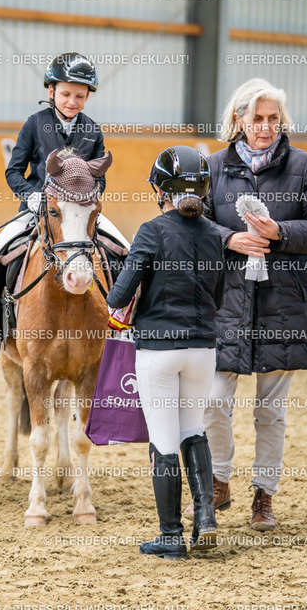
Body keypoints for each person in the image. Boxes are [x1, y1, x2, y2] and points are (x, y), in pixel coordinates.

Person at [183, 78, 307, 530]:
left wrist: (281, 233)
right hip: (226, 302)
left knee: (271, 411)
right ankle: (219, 481)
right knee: (214, 401)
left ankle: (264, 496)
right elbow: (195, 226)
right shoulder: (214, 167)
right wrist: (229, 238)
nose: (266, 126)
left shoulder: (303, 165)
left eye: (274, 118)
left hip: (283, 302)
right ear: (239, 119)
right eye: (257, 118)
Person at [0, 52, 128, 356]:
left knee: (125, 250)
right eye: (66, 94)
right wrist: (30, 195)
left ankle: (126, 323)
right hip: (39, 209)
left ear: (87, 97)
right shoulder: (34, 124)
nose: (72, 101)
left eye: (80, 96)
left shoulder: (92, 131)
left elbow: (100, 178)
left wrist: (90, 197)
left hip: (80, 213)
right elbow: (14, 171)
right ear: (51, 91)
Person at [107, 146, 225, 559]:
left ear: (161, 191)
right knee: (193, 428)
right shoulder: (215, 235)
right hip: (202, 349)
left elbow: (119, 295)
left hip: (159, 350)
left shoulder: (151, 231)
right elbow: (219, 298)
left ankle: (171, 535)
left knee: (163, 439)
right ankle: (206, 517)